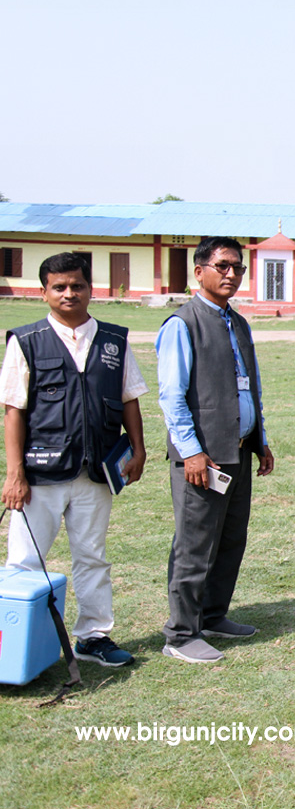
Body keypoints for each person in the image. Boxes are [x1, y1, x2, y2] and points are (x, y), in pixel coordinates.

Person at [2, 253, 147, 668]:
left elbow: (130, 398)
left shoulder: (114, 341)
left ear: (91, 288)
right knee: (26, 560)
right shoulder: (26, 341)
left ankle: (94, 635)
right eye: (59, 287)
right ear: (43, 292)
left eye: (77, 285)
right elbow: (13, 410)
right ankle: (20, 642)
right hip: (40, 474)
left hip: (95, 472)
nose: (69, 293)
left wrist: (138, 450)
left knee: (92, 556)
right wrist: (14, 475)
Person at [157, 236, 274, 663]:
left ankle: (212, 615)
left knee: (230, 539)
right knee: (195, 543)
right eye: (222, 265)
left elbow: (249, 384)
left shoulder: (236, 322)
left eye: (238, 268)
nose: (231, 274)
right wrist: (190, 451)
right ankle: (181, 633)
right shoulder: (183, 324)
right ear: (199, 271)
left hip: (237, 451)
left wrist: (259, 440)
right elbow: (171, 397)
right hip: (202, 458)